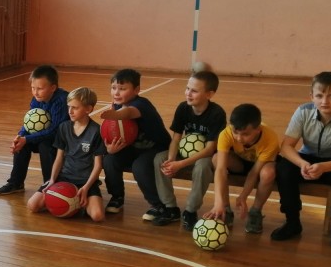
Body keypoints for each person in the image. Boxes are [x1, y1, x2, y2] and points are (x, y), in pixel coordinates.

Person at [271, 71, 331, 250]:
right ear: (311, 96)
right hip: (308, 160)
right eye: (319, 96)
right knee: (284, 168)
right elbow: (286, 147)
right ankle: (292, 222)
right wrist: (302, 164)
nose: (324, 101)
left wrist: (323, 167)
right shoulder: (303, 111)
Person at [152, 69, 227, 230]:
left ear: (209, 94)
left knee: (202, 167)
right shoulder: (183, 108)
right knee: (160, 159)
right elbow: (176, 138)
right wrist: (171, 160)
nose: (188, 93)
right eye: (187, 88)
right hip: (184, 152)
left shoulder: (217, 113)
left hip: (205, 156)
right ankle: (170, 208)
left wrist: (180, 164)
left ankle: (190, 211)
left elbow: (210, 149)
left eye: (194, 91)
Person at [99, 68, 171, 218]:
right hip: (133, 148)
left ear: (136, 90)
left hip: (156, 147)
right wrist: (110, 148)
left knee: (139, 167)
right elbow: (112, 134)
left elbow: (129, 112)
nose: (116, 93)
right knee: (109, 160)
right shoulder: (117, 105)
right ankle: (117, 197)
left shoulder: (141, 104)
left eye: (122, 89)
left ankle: (158, 205)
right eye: (113, 88)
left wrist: (114, 114)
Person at [27, 87, 106, 222]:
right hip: (64, 178)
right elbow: (59, 158)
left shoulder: (96, 131)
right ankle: (68, 202)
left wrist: (86, 187)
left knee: (98, 216)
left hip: (85, 181)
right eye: (69, 107)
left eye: (75, 107)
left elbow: (98, 165)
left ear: (88, 109)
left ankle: (78, 202)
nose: (70, 111)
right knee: (32, 205)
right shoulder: (64, 127)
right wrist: (52, 179)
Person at [203, 103, 279, 234]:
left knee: (268, 173)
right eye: (235, 132)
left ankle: (255, 212)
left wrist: (243, 196)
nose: (239, 138)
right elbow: (220, 170)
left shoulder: (270, 138)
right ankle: (225, 209)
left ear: (258, 129)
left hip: (259, 165)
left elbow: (254, 172)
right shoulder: (226, 134)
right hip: (240, 163)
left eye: (245, 134)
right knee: (216, 159)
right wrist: (218, 202)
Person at [0, 65, 70, 195]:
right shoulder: (36, 99)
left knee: (45, 146)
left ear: (53, 88)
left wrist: (27, 138)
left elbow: (55, 131)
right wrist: (20, 136)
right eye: (33, 88)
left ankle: (50, 184)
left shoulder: (61, 100)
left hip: (61, 140)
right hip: (44, 135)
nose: (35, 92)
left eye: (40, 88)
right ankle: (16, 183)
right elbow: (29, 122)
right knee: (22, 145)